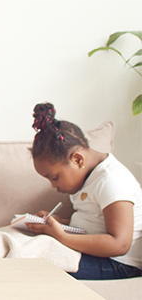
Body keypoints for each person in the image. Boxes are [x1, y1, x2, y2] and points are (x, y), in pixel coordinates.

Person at [28, 102, 142, 280]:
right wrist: (59, 224)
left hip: (119, 263)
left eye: (54, 177)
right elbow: (95, 223)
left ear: (77, 160)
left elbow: (120, 244)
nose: (53, 185)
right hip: (98, 255)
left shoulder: (111, 180)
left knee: (34, 265)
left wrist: (61, 236)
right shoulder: (86, 177)